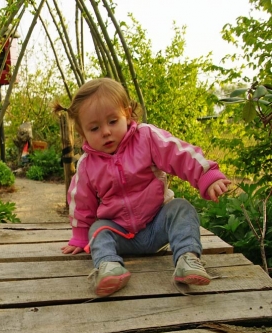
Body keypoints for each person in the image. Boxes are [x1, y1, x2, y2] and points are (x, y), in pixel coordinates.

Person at [56, 78, 231, 297]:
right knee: (97, 230)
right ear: (83, 133)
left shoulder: (146, 138)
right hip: (120, 233)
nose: (106, 132)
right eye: (94, 128)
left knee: (181, 208)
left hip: (157, 224)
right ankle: (109, 267)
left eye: (112, 121)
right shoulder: (87, 165)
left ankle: (188, 259)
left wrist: (207, 176)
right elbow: (81, 202)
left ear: (127, 115)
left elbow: (179, 154)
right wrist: (80, 236)